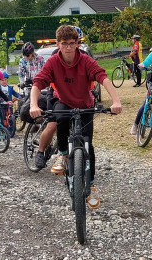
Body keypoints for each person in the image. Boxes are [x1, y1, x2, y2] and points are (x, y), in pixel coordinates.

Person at [29, 24, 122, 209]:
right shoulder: (53, 62)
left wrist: (116, 101)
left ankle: (91, 185)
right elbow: (38, 82)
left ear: (78, 44)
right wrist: (33, 104)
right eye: (65, 43)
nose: (69, 47)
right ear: (59, 44)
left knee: (88, 145)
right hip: (65, 103)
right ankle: (63, 154)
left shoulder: (86, 61)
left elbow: (102, 77)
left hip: (86, 106)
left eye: (72, 43)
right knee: (60, 118)